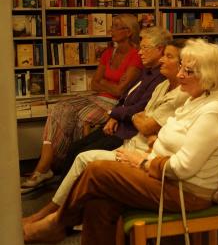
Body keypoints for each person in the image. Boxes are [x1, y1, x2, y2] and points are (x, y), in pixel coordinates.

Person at [22, 39, 218, 245]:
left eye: (188, 71)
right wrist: (150, 151)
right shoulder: (195, 100)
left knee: (97, 170)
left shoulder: (213, 113)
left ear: (209, 75)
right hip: (165, 180)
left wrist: (141, 161)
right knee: (99, 203)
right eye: (181, 67)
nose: (180, 74)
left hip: (186, 193)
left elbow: (183, 168)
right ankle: (59, 226)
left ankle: (57, 224)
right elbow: (165, 139)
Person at [22, 39, 189, 225]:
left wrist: (137, 120)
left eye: (168, 56)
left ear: (183, 65)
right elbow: (140, 115)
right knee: (78, 148)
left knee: (83, 159)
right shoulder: (162, 86)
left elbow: (145, 122)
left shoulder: (181, 93)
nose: (162, 60)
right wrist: (137, 119)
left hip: (140, 153)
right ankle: (62, 215)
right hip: (132, 142)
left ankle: (53, 217)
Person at [21, 14, 143, 191]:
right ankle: (45, 167)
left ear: (128, 31)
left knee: (82, 117)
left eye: (116, 26)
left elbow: (120, 92)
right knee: (59, 108)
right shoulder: (108, 52)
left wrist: (104, 83)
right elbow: (94, 82)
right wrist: (110, 84)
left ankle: (72, 172)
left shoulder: (136, 56)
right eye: (112, 26)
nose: (111, 30)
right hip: (96, 96)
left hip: (114, 104)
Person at [58, 26, 173, 175]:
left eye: (145, 48)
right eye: (140, 47)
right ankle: (65, 188)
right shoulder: (147, 70)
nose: (139, 52)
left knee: (82, 152)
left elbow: (141, 107)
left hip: (127, 132)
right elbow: (124, 96)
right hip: (118, 123)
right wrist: (114, 115)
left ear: (160, 49)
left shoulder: (160, 77)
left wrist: (113, 113)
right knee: (74, 147)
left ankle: (72, 194)